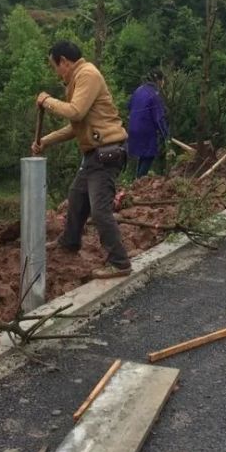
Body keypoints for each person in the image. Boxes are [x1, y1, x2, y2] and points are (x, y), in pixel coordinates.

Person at [32, 41, 132, 279]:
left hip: (106, 152)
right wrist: (46, 140)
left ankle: (119, 263)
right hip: (94, 153)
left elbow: (75, 111)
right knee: (77, 196)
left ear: (64, 62)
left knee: (99, 211)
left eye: (55, 66)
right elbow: (76, 126)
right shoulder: (79, 78)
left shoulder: (87, 74)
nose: (56, 73)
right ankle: (69, 241)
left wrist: (47, 100)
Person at [126, 69, 169, 178]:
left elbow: (129, 105)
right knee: (149, 155)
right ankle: (139, 180)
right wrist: (166, 135)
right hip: (145, 129)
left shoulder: (138, 90)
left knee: (143, 155)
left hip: (133, 127)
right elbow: (159, 117)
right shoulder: (154, 95)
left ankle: (137, 180)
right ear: (159, 81)